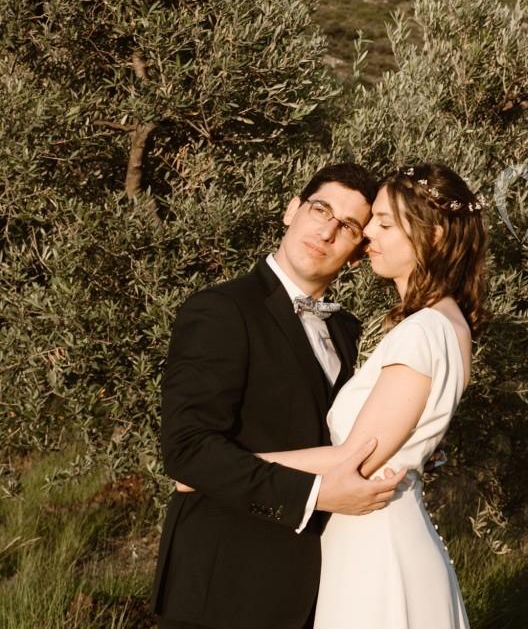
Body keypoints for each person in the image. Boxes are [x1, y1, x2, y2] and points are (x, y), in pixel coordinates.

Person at [152, 163, 409, 629]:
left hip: (311, 590)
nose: (327, 231)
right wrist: (316, 494)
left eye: (347, 226)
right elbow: (187, 450)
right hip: (221, 590)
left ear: (357, 251)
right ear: (291, 211)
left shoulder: (345, 329)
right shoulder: (221, 310)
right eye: (319, 209)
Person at [245, 162, 487, 629]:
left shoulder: (425, 330)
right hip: (370, 537)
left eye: (384, 223)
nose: (366, 235)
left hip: (377, 554)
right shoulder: (443, 323)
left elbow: (357, 458)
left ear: (433, 236)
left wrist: (229, 466)